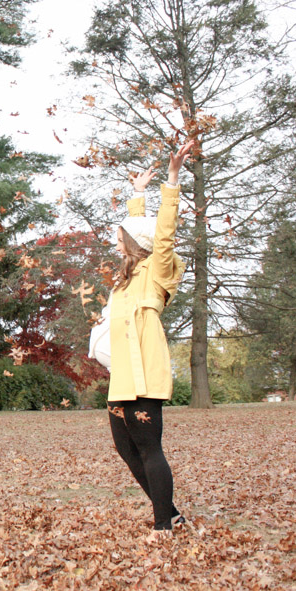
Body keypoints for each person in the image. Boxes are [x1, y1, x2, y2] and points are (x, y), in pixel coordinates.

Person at [107, 139, 194, 542]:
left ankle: (163, 525)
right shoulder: (125, 278)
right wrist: (137, 195)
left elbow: (162, 237)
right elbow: (138, 233)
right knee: (127, 452)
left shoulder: (157, 270)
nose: (116, 243)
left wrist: (171, 182)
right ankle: (171, 513)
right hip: (121, 377)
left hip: (145, 371)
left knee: (149, 447)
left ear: (135, 244)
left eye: (121, 238)